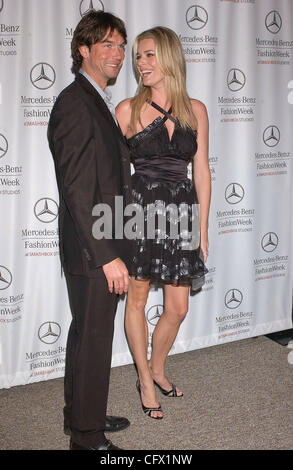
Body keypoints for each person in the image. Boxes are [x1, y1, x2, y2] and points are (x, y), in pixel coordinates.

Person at [116, 26, 211, 419]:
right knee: (136, 301)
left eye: (149, 54)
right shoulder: (127, 110)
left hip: (182, 214)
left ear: (170, 56)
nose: (141, 63)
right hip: (142, 211)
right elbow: (114, 174)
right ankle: (144, 376)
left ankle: (157, 368)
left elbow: (201, 171)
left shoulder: (196, 109)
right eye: (138, 56)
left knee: (178, 308)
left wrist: (202, 230)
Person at [48, 11, 132, 450]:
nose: (118, 53)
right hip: (92, 249)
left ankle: (80, 416)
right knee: (95, 341)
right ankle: (87, 438)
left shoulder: (93, 97)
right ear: (83, 49)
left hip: (99, 242)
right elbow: (78, 189)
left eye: (121, 45)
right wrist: (106, 255)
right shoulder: (75, 103)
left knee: (85, 334)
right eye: (107, 45)